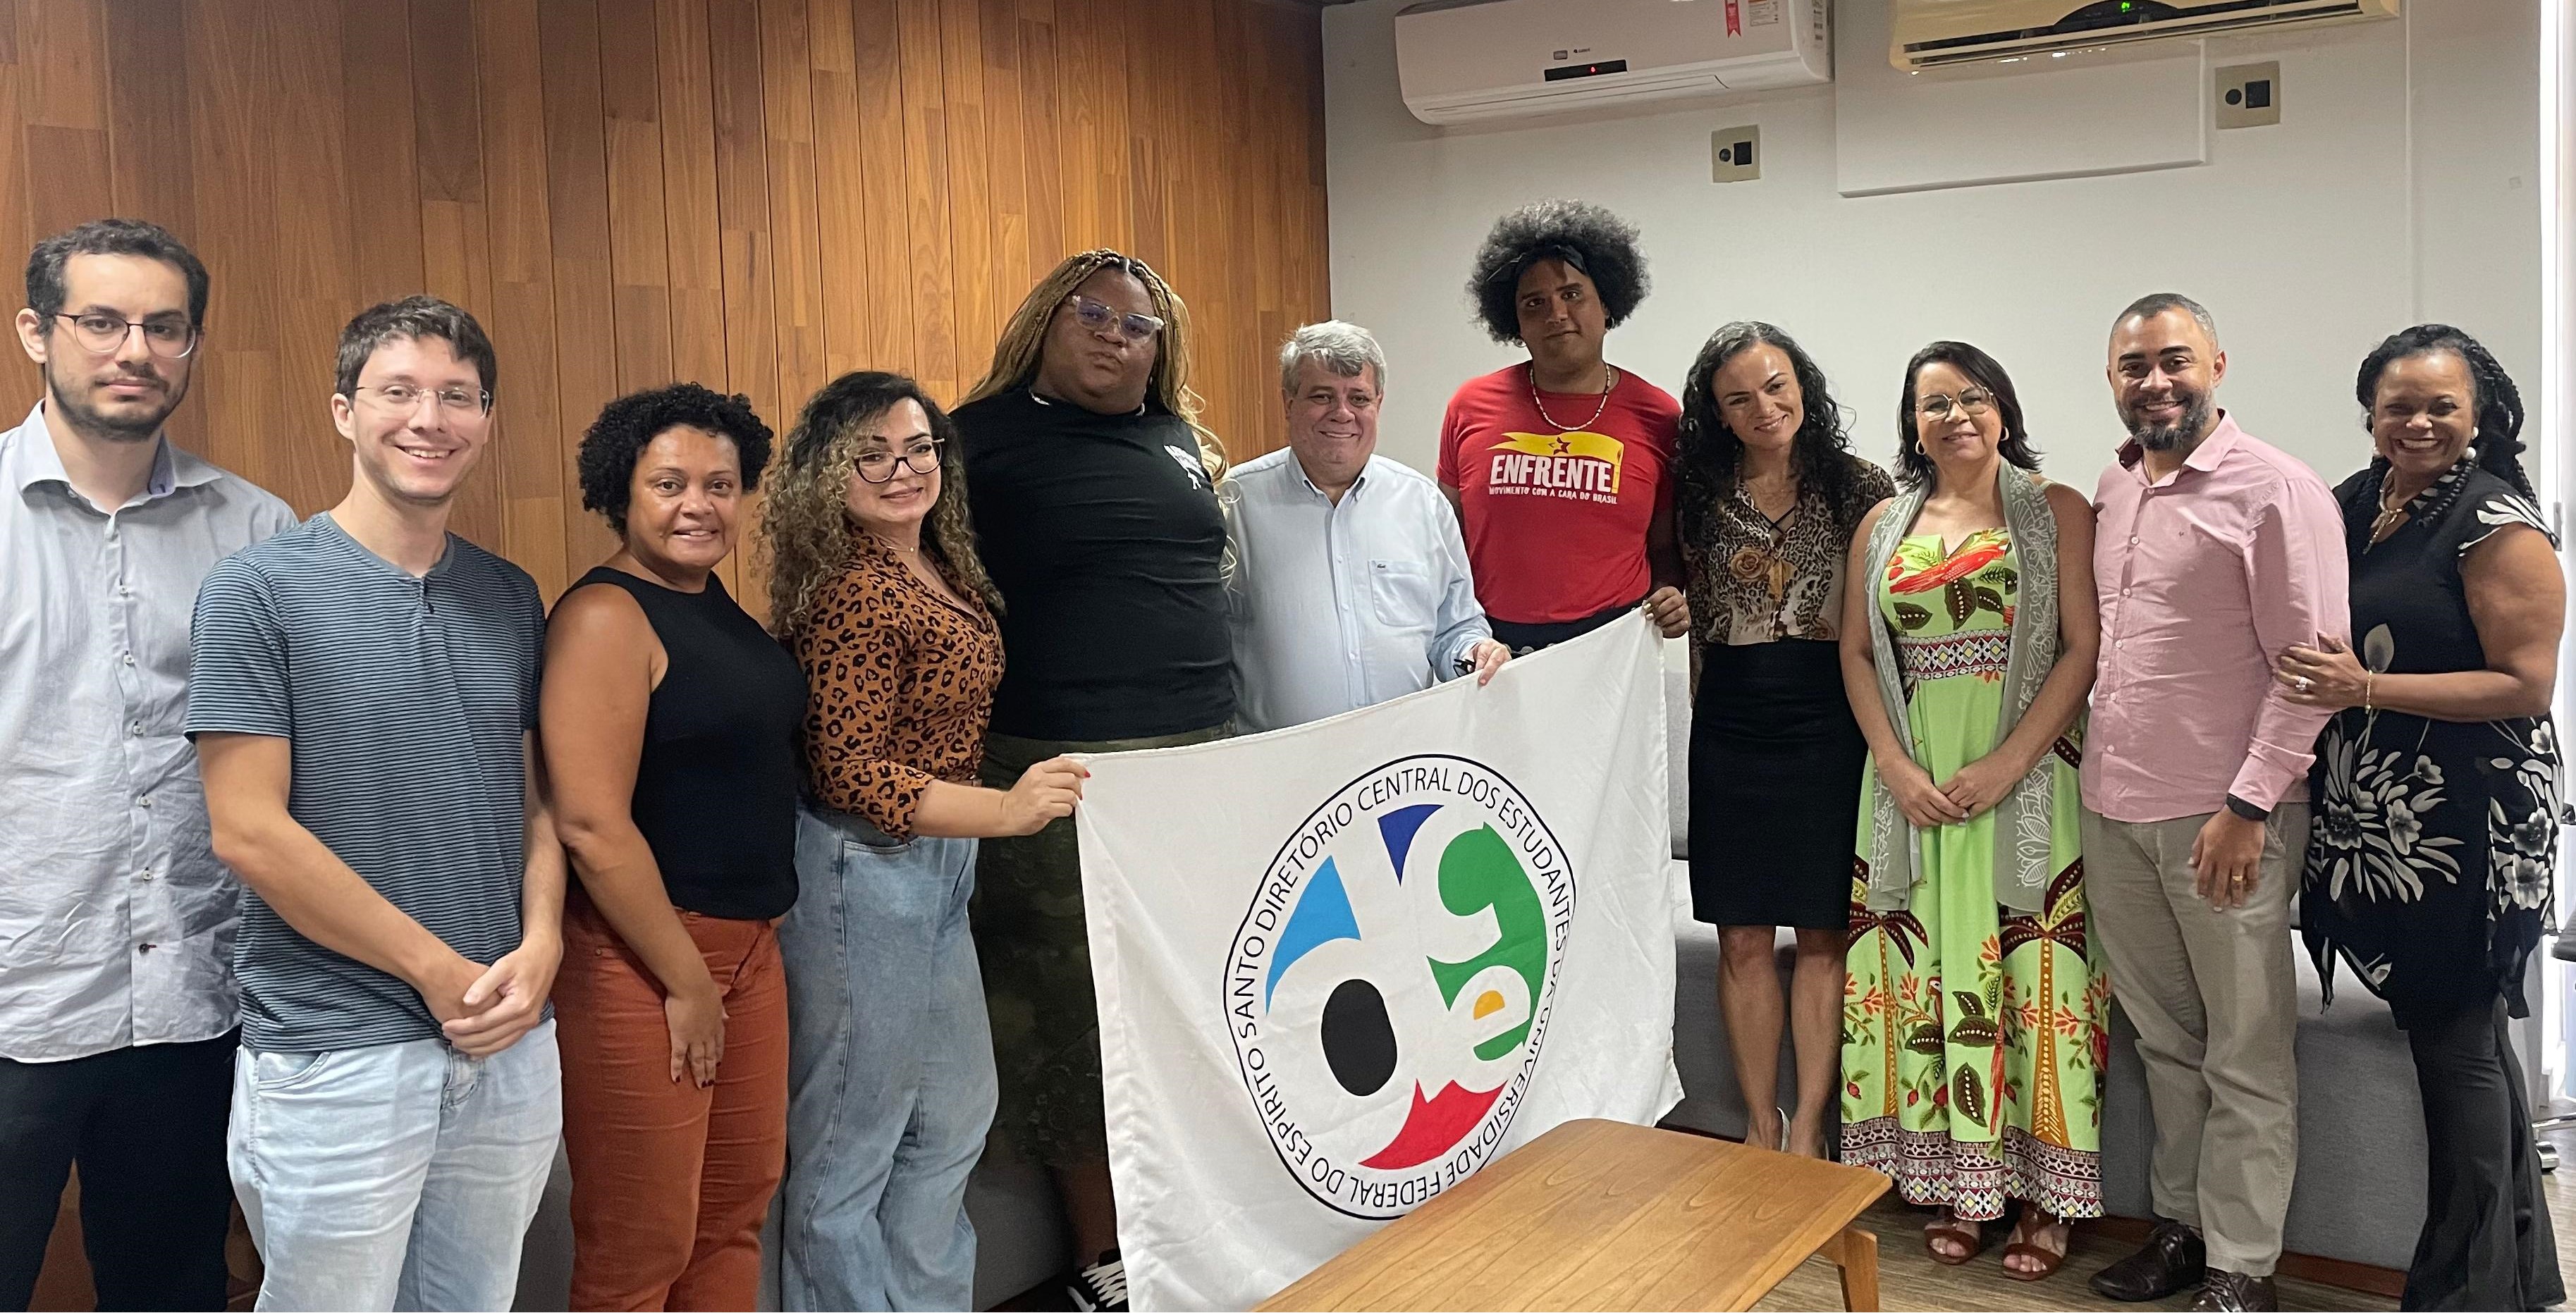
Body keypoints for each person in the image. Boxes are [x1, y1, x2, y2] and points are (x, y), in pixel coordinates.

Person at [190, 297, 563, 1312]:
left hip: (508, 1037)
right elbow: (249, 829)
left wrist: (541, 946)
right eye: (397, 391)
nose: (428, 418)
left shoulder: (510, 594)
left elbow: (532, 804)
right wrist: (437, 971)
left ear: (486, 419)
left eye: (457, 395)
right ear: (343, 412)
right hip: (337, 1047)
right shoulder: (255, 590)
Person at [0, 219, 292, 1312]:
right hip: (15, 1000)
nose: (135, 349)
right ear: (37, 331)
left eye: (163, 327)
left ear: (192, 348)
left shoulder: (257, 530)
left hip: (192, 1005)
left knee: (172, 1291)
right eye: (102, 320)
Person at [763, 371, 1088, 1312]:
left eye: (918, 448)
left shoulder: (935, 562)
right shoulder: (855, 591)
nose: (902, 469)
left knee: (951, 1118)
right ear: (829, 472)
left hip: (936, 867)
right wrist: (1006, 809)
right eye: (872, 452)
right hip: (860, 873)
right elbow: (849, 773)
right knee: (848, 1146)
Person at [950, 250, 1225, 1310]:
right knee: (1069, 1010)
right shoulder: (975, 441)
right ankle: (1101, 1248)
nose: (1115, 334)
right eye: (1093, 314)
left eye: (1138, 324)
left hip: (1197, 756)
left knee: (1188, 998)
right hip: (1056, 765)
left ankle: (1189, 1207)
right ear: (1046, 322)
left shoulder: (1178, 440)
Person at [2274, 326, 2564, 1311]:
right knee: (2457, 1040)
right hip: (2385, 814)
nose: (2419, 421)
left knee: (2453, 1043)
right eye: (2399, 403)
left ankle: (2460, 1291)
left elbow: (2524, 684)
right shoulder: (2355, 505)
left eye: (2442, 404)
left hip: (2471, 817)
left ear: (2477, 413)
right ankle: (2515, 1273)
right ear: (2369, 410)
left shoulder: (2495, 522)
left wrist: (2364, 683)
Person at [2081, 292, 2347, 1313]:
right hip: (2113, 809)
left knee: (2242, 1047)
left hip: (2224, 819)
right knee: (2165, 1043)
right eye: (2133, 365)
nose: (2154, 380)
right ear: (2111, 377)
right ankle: (2182, 1229)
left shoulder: (2276, 489)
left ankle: (2243, 1267)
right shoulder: (2113, 485)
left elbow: (2309, 671)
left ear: (2217, 365)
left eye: (2173, 360)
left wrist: (2247, 804)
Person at [1839, 342, 2104, 1280]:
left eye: (1972, 396)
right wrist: (1892, 762)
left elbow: (2081, 647)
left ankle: (2044, 1197)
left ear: (2002, 408)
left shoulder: (2055, 509)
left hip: (2024, 780)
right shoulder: (1882, 522)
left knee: (2034, 983)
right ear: (1910, 423)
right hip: (1910, 786)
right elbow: (1858, 655)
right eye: (1932, 402)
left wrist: (2006, 760)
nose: (1954, 415)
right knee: (1936, 976)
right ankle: (1965, 1182)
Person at [541, 383, 799, 1310]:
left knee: (732, 1216)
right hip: (643, 958)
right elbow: (590, 823)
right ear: (622, 490)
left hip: (750, 949)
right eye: (671, 482)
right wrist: (686, 979)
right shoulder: (605, 615)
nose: (699, 502)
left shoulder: (713, 605)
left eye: (721, 483)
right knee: (640, 1240)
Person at [1674, 321, 1894, 1161]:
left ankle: (1809, 1125)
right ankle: (1759, 1123)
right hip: (1729, 719)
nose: (1763, 407)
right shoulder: (1695, 489)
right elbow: (1675, 593)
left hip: (1828, 718)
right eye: (1739, 398)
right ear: (1718, 414)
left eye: (1775, 386)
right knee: (1740, 935)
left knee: (1824, 932)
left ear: (1803, 384)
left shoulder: (1861, 484)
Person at [1228, 321, 1508, 731]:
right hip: (1280, 768)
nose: (1342, 414)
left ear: (1379, 403)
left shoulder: (1423, 505)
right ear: (1288, 403)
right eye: (1321, 396)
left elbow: (1455, 628)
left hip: (1399, 771)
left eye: (1358, 398)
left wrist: (1476, 652)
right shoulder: (1233, 504)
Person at [1437, 200, 1689, 651]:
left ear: (1607, 305)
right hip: (1493, 649)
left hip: (1615, 644)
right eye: (1534, 303)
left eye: (1572, 294)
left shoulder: (1659, 416)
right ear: (1514, 323)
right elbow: (1446, 536)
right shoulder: (1469, 406)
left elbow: (1666, 545)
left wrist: (1671, 595)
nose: (1556, 314)